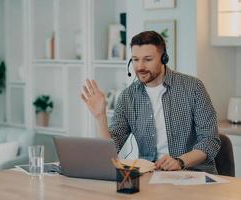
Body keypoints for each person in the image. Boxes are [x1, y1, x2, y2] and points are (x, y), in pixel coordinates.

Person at [81, 31, 220, 174]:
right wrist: (100, 117)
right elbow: (110, 152)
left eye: (147, 59)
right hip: (150, 177)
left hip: (193, 175)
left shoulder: (193, 87)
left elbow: (210, 140)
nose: (140, 66)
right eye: (135, 59)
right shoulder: (128, 96)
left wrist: (179, 161)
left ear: (163, 58)